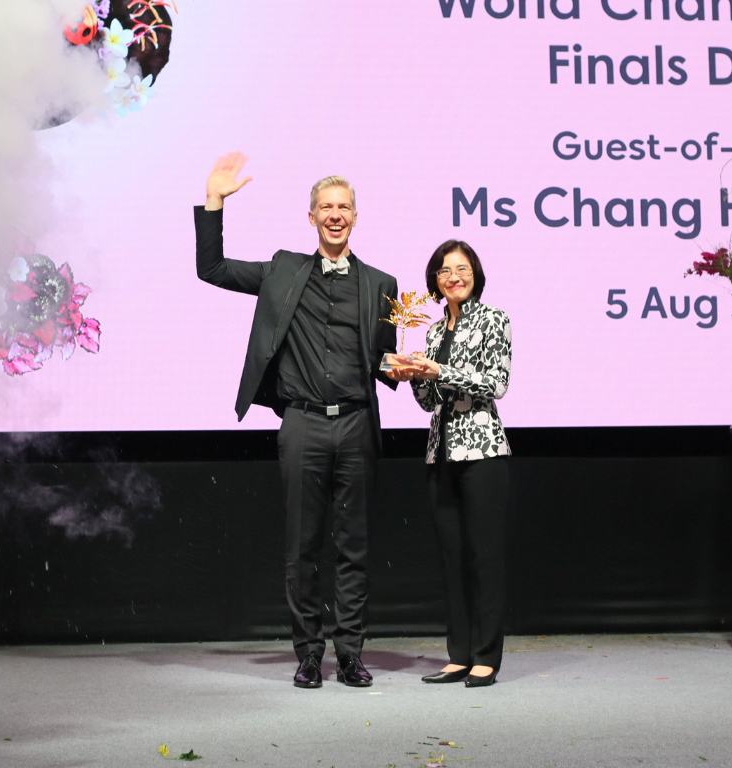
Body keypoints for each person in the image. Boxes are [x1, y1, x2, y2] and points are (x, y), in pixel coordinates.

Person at [194, 153, 407, 689]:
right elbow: (211, 268)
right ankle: (309, 654)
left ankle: (351, 655)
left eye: (344, 207)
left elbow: (383, 359)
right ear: (310, 217)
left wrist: (401, 369)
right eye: (325, 207)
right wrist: (214, 201)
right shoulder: (283, 270)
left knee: (354, 545)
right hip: (303, 424)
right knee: (302, 545)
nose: (335, 215)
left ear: (356, 217)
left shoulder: (383, 284)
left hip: (357, 424)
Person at [406, 239, 511, 688]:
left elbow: (495, 383)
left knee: (483, 557)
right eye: (446, 270)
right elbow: (428, 400)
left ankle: (486, 656)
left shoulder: (494, 319)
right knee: (452, 559)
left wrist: (439, 372)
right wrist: (412, 375)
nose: (455, 276)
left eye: (462, 268)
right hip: (440, 451)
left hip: (483, 452)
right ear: (435, 280)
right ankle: (459, 654)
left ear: (475, 274)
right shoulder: (432, 331)